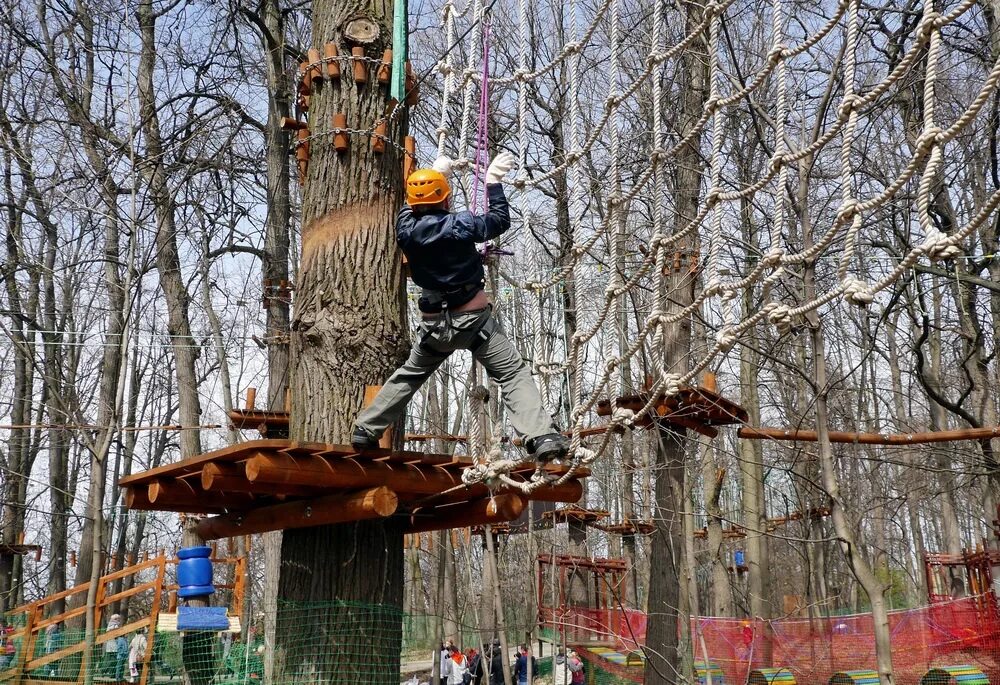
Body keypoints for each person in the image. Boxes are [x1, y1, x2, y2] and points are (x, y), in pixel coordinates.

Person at [352, 153, 569, 463]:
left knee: (409, 376)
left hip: (434, 329)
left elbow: (410, 208)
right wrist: (492, 183)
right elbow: (498, 220)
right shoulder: (460, 224)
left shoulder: (404, 229)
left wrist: (439, 175)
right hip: (474, 325)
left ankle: (366, 429)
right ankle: (541, 434)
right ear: (445, 199)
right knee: (511, 374)